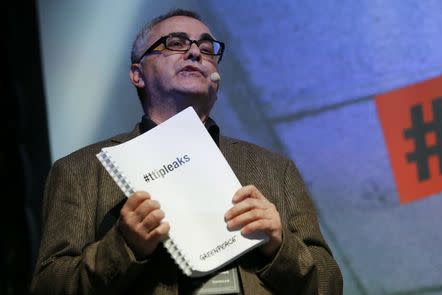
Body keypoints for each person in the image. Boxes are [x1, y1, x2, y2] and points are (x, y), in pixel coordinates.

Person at [31, 8, 343, 295]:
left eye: (207, 48)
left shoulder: (275, 169)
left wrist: (279, 244)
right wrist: (124, 245)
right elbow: (49, 286)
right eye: (175, 44)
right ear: (137, 74)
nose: (195, 51)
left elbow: (328, 285)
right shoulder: (80, 171)